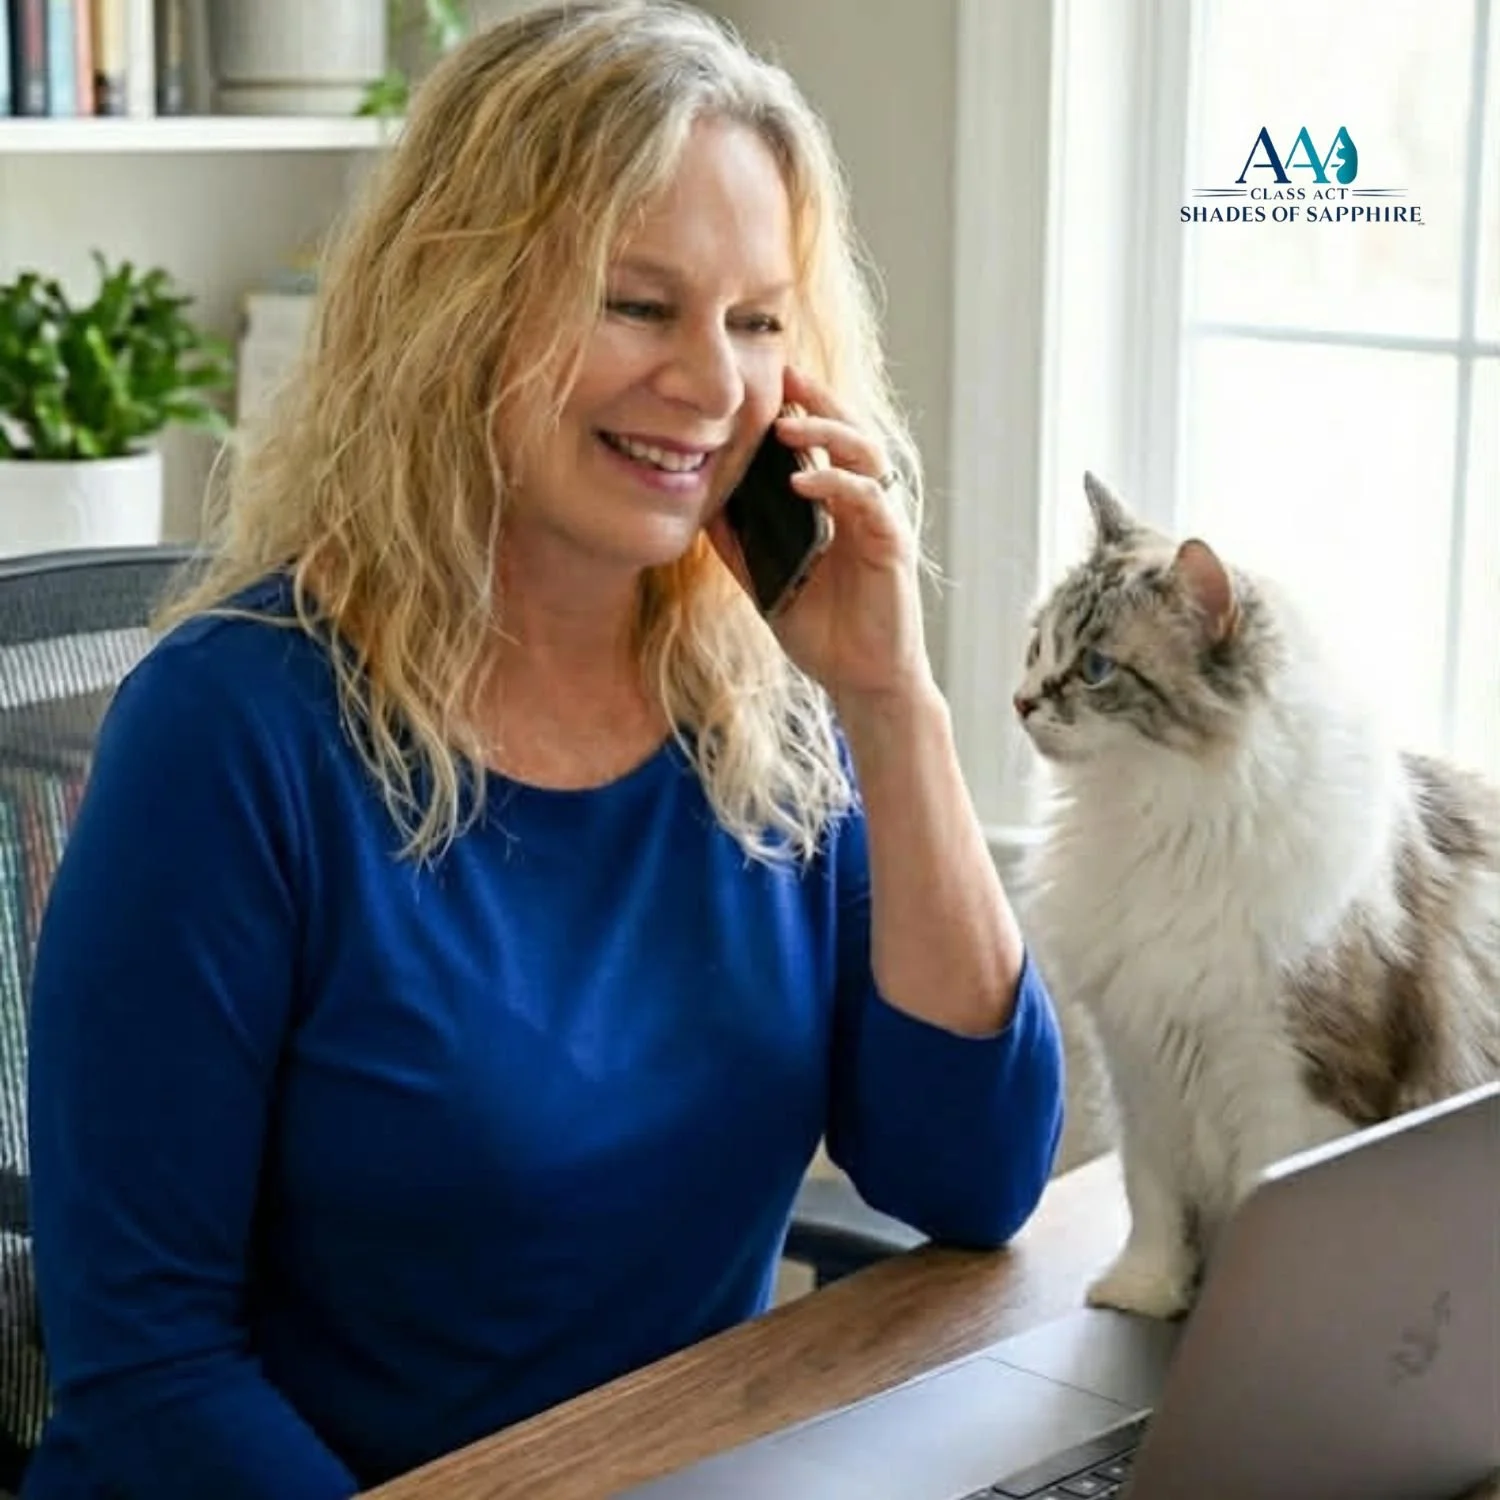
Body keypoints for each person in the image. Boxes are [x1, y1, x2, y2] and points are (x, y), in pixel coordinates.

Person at [21, 3, 1066, 1496]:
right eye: (638, 304)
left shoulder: (769, 710)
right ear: (461, 306)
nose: (712, 385)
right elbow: (148, 1374)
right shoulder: (231, 733)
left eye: (758, 320)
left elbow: (971, 1182)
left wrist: (896, 704)